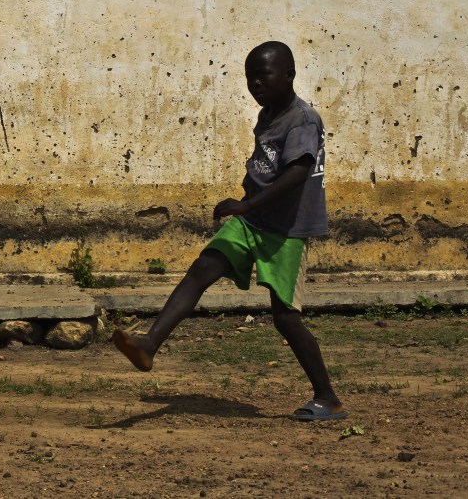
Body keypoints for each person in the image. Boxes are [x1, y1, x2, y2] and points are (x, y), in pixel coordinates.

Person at [111, 40, 345, 421]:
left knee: (285, 317)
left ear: (289, 75)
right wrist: (247, 202)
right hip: (253, 221)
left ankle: (327, 397)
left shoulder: (302, 119)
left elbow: (298, 172)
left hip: (286, 230)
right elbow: (265, 167)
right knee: (203, 268)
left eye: (263, 76)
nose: (255, 84)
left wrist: (247, 203)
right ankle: (149, 344)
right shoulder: (268, 114)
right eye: (250, 78)